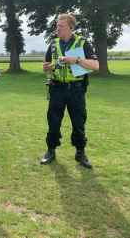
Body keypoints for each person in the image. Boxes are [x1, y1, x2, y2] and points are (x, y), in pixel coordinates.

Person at [41, 14, 99, 168]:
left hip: (76, 89)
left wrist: (78, 60)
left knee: (78, 122)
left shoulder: (83, 43)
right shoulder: (53, 44)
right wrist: (45, 68)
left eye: (61, 26)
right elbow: (45, 67)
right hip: (56, 88)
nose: (57, 29)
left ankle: (80, 153)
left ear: (71, 27)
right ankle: (51, 151)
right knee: (53, 121)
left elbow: (96, 66)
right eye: (57, 26)